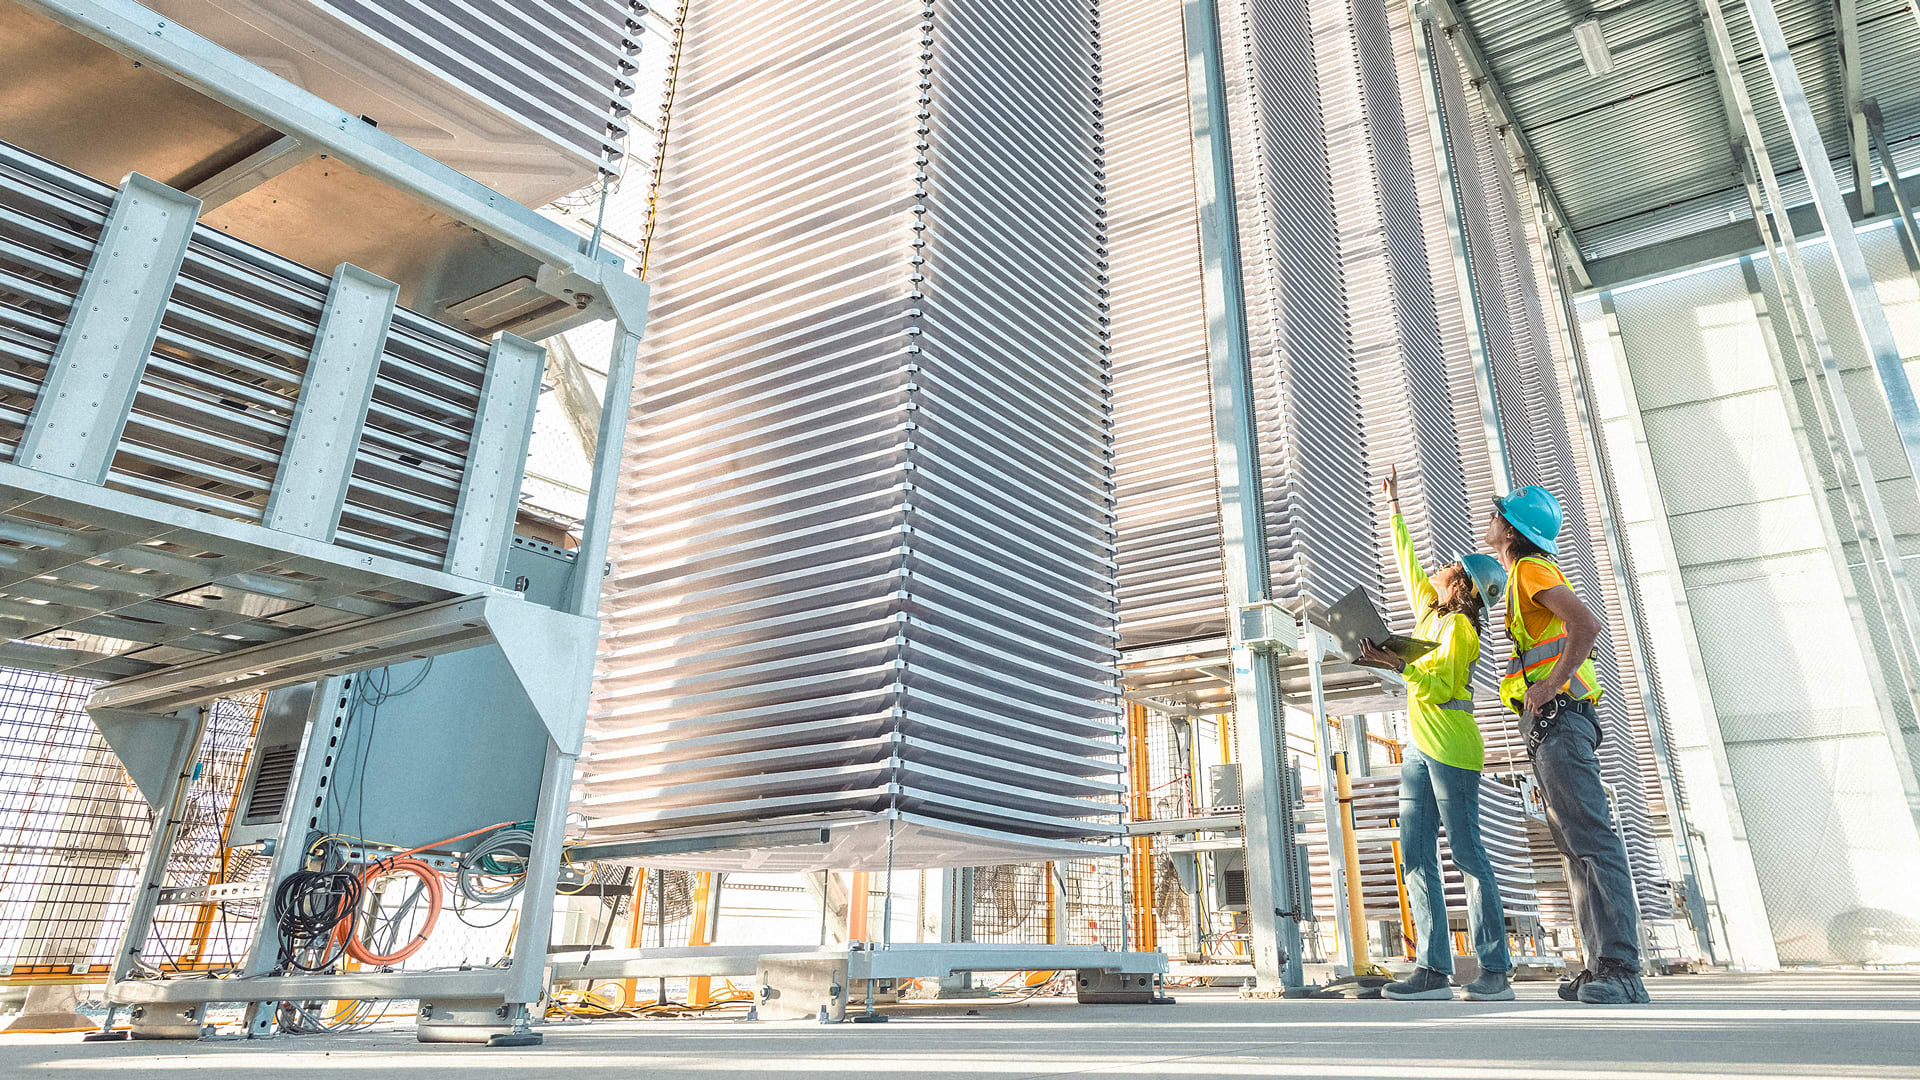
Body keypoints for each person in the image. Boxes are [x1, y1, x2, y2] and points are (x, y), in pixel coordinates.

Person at [1486, 484, 1649, 1005]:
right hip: (1550, 726)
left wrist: (1552, 685)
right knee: (1576, 848)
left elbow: (1586, 623)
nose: (1491, 521)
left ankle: (1623, 968)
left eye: (1498, 516)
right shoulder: (1519, 577)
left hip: (1562, 720)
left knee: (1594, 842)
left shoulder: (1529, 570)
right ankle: (1600, 964)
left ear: (1511, 531)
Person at [1360, 466, 1514, 1002]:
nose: (1440, 569)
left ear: (1463, 588)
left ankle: (1495, 970)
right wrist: (1394, 508)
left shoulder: (1461, 629)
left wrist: (1397, 665)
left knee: (1467, 852)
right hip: (1420, 749)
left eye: (1451, 569)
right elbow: (1407, 565)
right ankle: (1432, 969)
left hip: (1452, 744)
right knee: (1416, 852)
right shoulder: (1430, 615)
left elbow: (1439, 683)